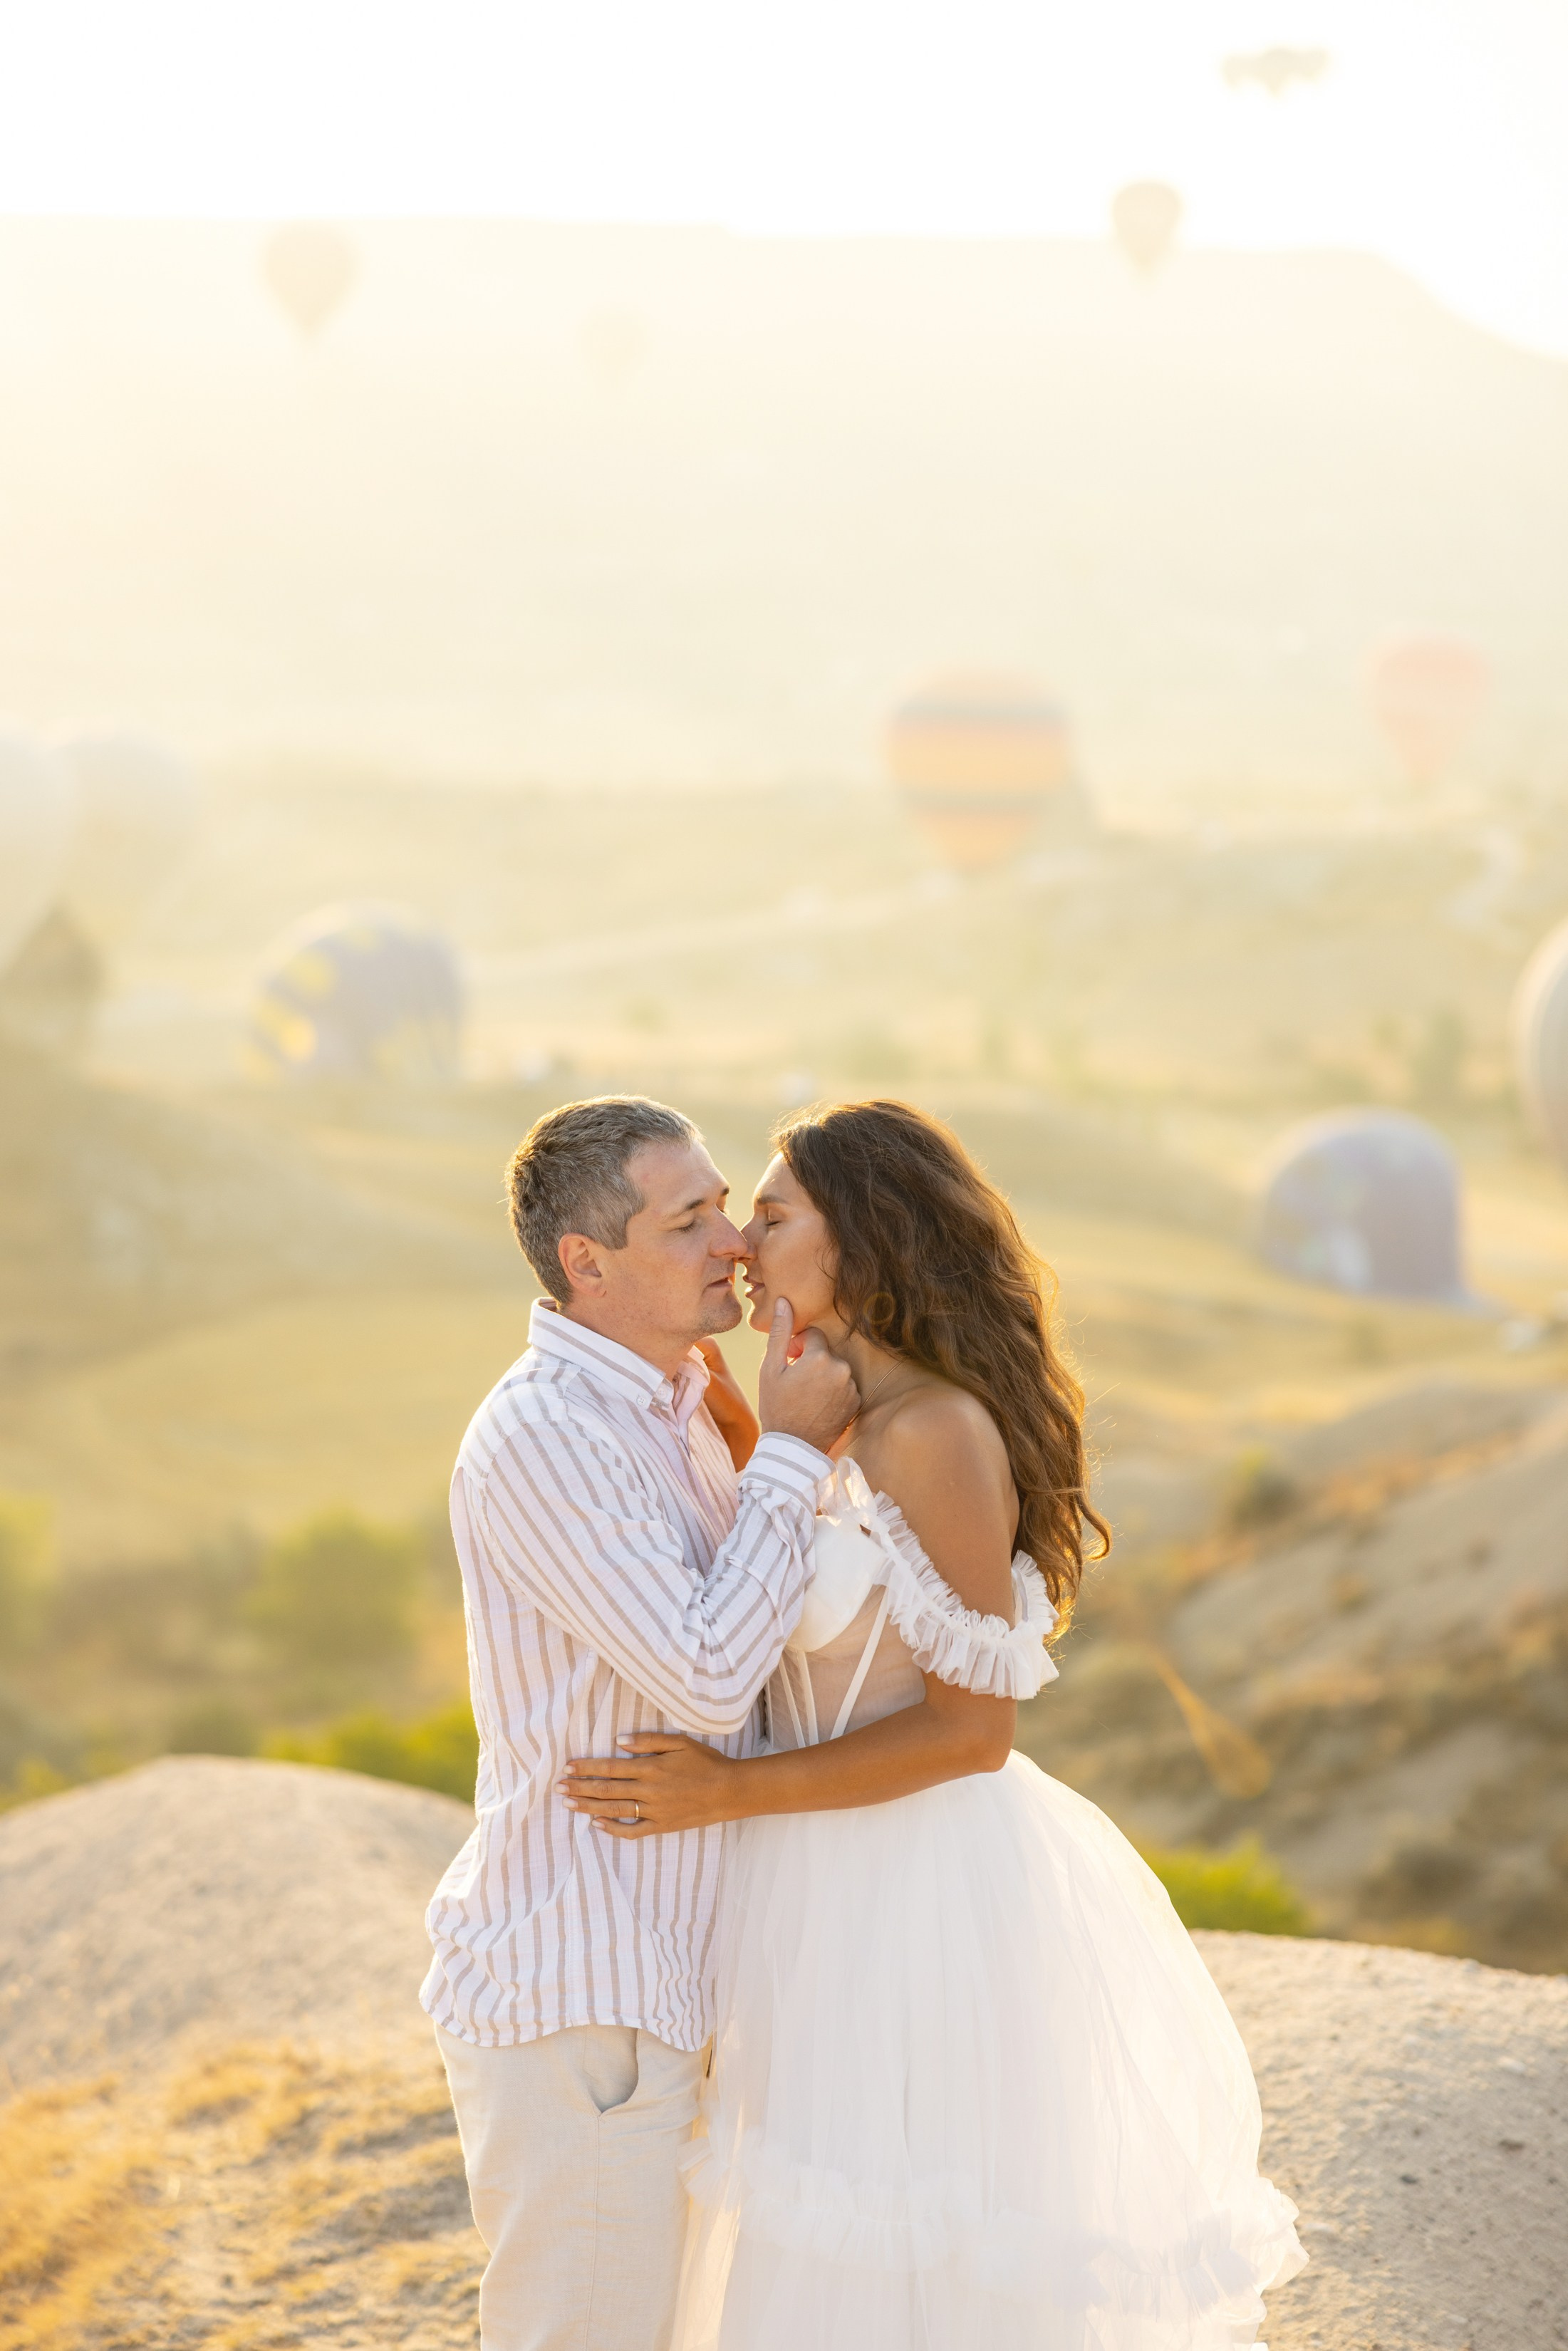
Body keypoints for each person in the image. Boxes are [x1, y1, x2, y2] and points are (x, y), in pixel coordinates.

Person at [563, 1099, 1308, 2350]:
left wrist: (721, 1793)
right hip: (796, 1888)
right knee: (802, 2234)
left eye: (773, 1212)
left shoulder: (939, 1434)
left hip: (915, 1897)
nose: (743, 1240)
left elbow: (973, 1733)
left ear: (857, 1242)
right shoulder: (823, 1420)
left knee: (911, 2245)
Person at [421, 1095, 858, 2351]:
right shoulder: (547, 1435)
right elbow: (711, 1678)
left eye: (727, 1206)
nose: (733, 1241)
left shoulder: (672, 1407)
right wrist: (788, 1453)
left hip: (664, 1983)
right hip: (586, 1999)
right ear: (587, 1262)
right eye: (692, 1219)